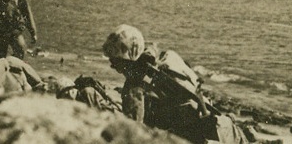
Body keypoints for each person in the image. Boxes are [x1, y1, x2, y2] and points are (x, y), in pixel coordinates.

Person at [102, 25, 248, 144]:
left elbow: (133, 131)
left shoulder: (135, 88)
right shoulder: (165, 60)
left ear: (127, 60)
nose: (112, 66)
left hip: (197, 136)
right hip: (218, 127)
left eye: (115, 61)